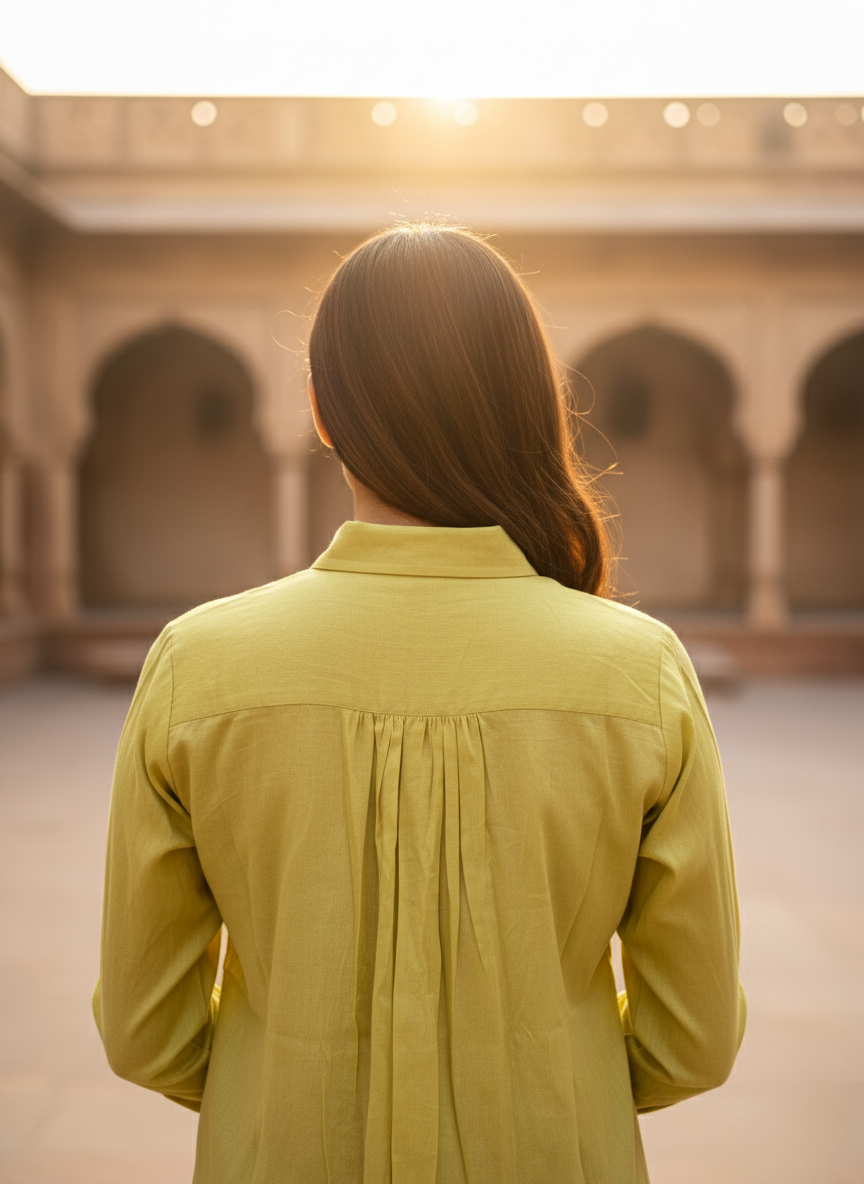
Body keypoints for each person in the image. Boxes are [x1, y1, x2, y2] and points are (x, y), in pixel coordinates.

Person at [93, 222, 746, 1184]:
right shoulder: (637, 674)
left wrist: (279, 1080)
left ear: (320, 410)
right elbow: (693, 1040)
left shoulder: (200, 666)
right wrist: (548, 1079)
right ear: (534, 406)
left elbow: (146, 1031)